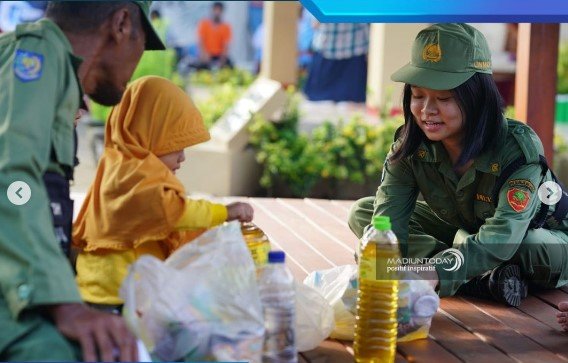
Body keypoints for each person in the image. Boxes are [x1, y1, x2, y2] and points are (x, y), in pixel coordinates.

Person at [348, 23, 568, 307]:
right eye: (417, 96)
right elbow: (389, 216)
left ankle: (452, 269)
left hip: (541, 236)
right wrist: (379, 262)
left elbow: (504, 234)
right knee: (367, 216)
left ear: (477, 98)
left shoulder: (516, 147)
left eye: (444, 98)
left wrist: (433, 269)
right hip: (467, 231)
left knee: (524, 246)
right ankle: (479, 278)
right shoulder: (412, 145)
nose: (427, 110)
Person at [0, 1, 166, 361]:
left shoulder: (51, 76)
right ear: (121, 23)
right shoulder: (41, 51)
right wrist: (64, 305)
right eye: (143, 42)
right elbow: (13, 180)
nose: (138, 62)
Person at [72, 76, 254, 309]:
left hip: (111, 291)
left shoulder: (119, 163)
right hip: (116, 299)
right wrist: (225, 212)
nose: (182, 157)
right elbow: (174, 212)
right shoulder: (134, 175)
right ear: (149, 134)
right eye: (175, 145)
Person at [303, 22, 369, 103]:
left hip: (327, 48)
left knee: (319, 102)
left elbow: (315, 24)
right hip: (355, 49)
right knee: (353, 103)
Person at [197, 1, 232, 70]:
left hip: (219, 56)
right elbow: (201, 41)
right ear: (212, 10)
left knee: (229, 67)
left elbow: (226, 45)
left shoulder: (226, 27)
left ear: (222, 12)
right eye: (215, 10)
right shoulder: (204, 24)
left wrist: (222, 59)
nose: (217, 12)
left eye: (219, 10)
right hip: (207, 55)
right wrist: (204, 55)